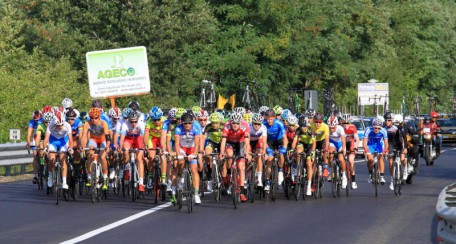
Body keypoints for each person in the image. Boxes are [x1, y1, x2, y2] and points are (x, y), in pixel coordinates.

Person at [220, 112, 251, 202]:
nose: (235, 125)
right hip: (230, 143)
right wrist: (222, 152)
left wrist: (247, 153)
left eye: (237, 123)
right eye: (234, 123)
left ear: (240, 123)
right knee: (229, 155)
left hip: (240, 143)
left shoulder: (245, 126)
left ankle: (241, 192)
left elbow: (246, 143)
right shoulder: (227, 127)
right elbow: (223, 141)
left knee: (241, 167)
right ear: (230, 122)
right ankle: (229, 175)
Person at [174, 113, 203, 204]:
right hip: (182, 149)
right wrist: (178, 154)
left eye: (189, 123)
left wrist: (194, 154)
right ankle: (181, 177)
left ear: (192, 122)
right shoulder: (178, 129)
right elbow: (177, 143)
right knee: (181, 162)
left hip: (192, 149)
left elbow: (197, 143)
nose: (187, 125)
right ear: (182, 123)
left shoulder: (196, 128)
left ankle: (196, 193)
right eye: (185, 123)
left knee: (194, 170)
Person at [80, 108, 111, 190]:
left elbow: (108, 137)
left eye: (96, 118)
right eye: (92, 118)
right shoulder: (87, 124)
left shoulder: (103, 123)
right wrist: (83, 146)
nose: (94, 120)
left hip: (103, 140)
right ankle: (89, 177)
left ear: (99, 117)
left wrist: (107, 146)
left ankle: (105, 178)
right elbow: (84, 137)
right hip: (93, 140)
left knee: (103, 157)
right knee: (90, 155)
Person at [42, 111, 74, 189]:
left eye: (61, 125)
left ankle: (64, 182)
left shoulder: (67, 125)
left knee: (62, 160)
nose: (60, 127)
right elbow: (46, 139)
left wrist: (70, 148)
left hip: (63, 141)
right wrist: (45, 148)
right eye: (58, 125)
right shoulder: (50, 125)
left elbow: (71, 140)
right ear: (55, 123)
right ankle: (50, 177)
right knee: (51, 159)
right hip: (53, 141)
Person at [118, 110, 146, 192]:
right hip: (129, 139)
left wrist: (144, 146)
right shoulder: (125, 124)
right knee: (125, 150)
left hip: (138, 139)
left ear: (138, 120)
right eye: (131, 122)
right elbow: (122, 138)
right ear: (128, 120)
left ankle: (141, 183)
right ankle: (127, 168)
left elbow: (144, 137)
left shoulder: (141, 124)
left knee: (139, 159)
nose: (133, 124)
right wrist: (120, 146)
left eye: (135, 122)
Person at [291, 115, 316, 195]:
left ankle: (309, 185)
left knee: (309, 164)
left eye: (304, 126)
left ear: (307, 125)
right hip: (302, 144)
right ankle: (299, 167)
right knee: (297, 151)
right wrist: (292, 149)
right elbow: (294, 142)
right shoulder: (298, 130)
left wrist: (312, 151)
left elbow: (314, 143)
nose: (302, 128)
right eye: (301, 126)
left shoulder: (311, 130)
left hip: (310, 146)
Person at [263, 109, 287, 191]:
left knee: (281, 154)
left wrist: (284, 148)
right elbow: (263, 140)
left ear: (274, 117)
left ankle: (280, 171)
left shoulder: (279, 123)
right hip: (269, 142)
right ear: (266, 118)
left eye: (271, 119)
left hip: (279, 140)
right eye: (268, 119)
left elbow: (284, 137)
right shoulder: (264, 124)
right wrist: (267, 150)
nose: (269, 121)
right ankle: (267, 181)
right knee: (269, 159)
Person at [202, 112, 224, 192]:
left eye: (216, 123)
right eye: (212, 122)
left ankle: (221, 174)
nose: (214, 124)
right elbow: (203, 138)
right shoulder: (208, 127)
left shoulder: (223, 126)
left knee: (222, 159)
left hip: (222, 143)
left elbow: (226, 139)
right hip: (212, 142)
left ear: (219, 122)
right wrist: (201, 150)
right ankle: (209, 178)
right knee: (207, 155)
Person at [363, 118, 388, 185]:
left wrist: (385, 150)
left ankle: (382, 177)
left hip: (379, 145)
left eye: (378, 128)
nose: (377, 129)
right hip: (370, 145)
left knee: (380, 159)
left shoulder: (384, 131)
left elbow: (386, 143)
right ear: (372, 127)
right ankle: (370, 174)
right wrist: (365, 150)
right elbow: (364, 142)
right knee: (370, 160)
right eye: (375, 128)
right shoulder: (368, 129)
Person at [327, 116, 348, 188]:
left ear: (336, 125)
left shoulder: (340, 128)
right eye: (330, 127)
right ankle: (330, 171)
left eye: (333, 128)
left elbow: (343, 140)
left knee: (341, 159)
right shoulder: (327, 129)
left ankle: (344, 175)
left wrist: (343, 149)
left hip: (340, 143)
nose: (331, 129)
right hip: (332, 143)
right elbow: (326, 141)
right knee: (330, 154)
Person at [340, 114, 360, 189]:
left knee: (351, 161)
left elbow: (357, 139)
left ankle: (353, 181)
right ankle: (340, 174)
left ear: (350, 123)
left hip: (350, 144)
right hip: (343, 144)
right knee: (340, 158)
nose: (345, 125)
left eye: (347, 123)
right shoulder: (340, 128)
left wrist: (356, 147)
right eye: (344, 123)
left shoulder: (352, 128)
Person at [249, 113, 268, 187]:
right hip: (249, 142)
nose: (257, 125)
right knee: (249, 158)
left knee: (259, 156)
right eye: (255, 124)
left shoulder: (263, 128)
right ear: (252, 123)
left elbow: (264, 141)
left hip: (257, 142)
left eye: (259, 124)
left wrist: (264, 152)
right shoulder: (249, 127)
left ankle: (259, 178)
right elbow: (245, 141)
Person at [310, 112, 330, 178]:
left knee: (325, 149)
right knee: (313, 160)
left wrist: (326, 148)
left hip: (322, 140)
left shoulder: (325, 126)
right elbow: (311, 140)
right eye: (316, 122)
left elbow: (327, 139)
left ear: (322, 122)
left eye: (320, 122)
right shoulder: (311, 125)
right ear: (313, 121)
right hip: (314, 141)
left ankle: (326, 168)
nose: (318, 124)